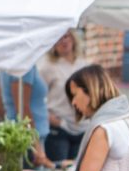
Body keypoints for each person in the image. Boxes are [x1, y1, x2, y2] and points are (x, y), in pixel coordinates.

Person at [38, 30, 90, 162]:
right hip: (59, 128)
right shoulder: (47, 67)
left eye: (66, 36)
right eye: (58, 38)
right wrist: (50, 118)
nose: (64, 41)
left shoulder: (84, 64)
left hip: (83, 127)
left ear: (73, 38)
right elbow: (37, 99)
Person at [0, 65, 54, 168]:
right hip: (28, 140)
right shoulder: (23, 67)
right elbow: (22, 107)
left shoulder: (10, 65)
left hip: (27, 137)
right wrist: (35, 144)